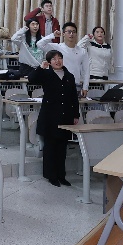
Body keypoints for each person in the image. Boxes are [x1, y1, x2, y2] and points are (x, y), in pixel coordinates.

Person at [29, 50, 80, 187]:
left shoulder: (69, 76)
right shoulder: (46, 74)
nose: (57, 61)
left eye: (59, 58)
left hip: (65, 115)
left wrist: (76, 115)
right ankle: (51, 176)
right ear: (49, 62)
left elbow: (73, 97)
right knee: (50, 147)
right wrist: (41, 67)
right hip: (50, 116)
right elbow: (31, 79)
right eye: (54, 59)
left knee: (62, 147)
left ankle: (61, 175)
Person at [36, 22, 89, 101]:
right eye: (69, 32)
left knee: (74, 107)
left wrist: (85, 87)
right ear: (63, 34)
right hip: (58, 83)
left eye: (74, 32)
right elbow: (39, 44)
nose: (71, 34)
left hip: (75, 84)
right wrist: (53, 35)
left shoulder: (82, 51)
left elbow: (86, 70)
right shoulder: (57, 47)